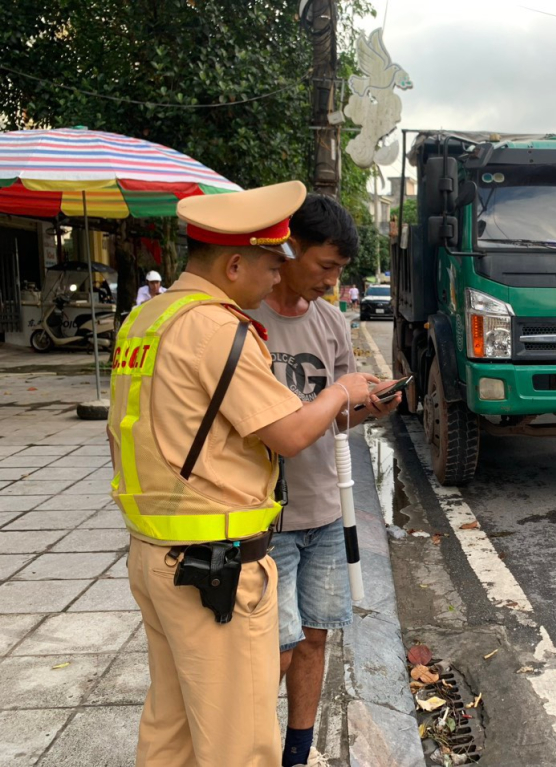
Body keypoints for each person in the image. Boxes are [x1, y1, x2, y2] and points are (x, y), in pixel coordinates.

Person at [108, 180, 380, 767]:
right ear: (234, 264)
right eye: (267, 263)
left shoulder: (147, 320)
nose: (273, 277)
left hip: (155, 552)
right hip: (215, 566)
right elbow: (285, 432)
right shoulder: (215, 328)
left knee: (172, 726)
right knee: (239, 741)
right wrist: (340, 392)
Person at [249, 194, 403, 767]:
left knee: (315, 638)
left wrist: (370, 409)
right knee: (276, 648)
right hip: (265, 517)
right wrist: (342, 396)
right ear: (289, 250)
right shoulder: (246, 318)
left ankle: (297, 753)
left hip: (325, 508)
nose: (332, 282)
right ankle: (251, 748)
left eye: (340, 271)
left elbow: (337, 414)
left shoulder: (331, 321)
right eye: (325, 267)